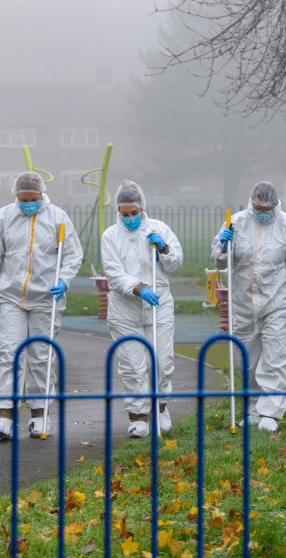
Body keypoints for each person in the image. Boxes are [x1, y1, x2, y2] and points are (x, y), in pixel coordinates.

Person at [0, 172, 83, 439]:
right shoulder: (3, 217)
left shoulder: (58, 217)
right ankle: (4, 414)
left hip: (46, 296)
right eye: (23, 199)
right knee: (8, 353)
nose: (28, 204)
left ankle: (40, 414)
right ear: (16, 196)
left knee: (41, 356)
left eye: (33, 199)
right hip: (10, 296)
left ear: (41, 195)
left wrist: (64, 280)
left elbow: (73, 254)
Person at [211, 181, 286, 433]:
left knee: (276, 357)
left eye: (267, 208)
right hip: (243, 303)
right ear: (251, 204)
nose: (263, 212)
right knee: (248, 361)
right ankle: (253, 409)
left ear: (276, 206)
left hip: (277, 302)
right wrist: (223, 245)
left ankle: (271, 413)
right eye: (258, 207)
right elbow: (219, 262)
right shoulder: (236, 223)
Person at [101, 180, 184, 438]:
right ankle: (138, 416)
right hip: (125, 309)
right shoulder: (110, 236)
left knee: (162, 360)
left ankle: (160, 409)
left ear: (142, 209)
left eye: (134, 213)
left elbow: (176, 264)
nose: (130, 218)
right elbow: (113, 273)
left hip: (159, 305)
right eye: (124, 214)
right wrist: (138, 288)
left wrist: (164, 249)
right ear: (118, 212)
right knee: (132, 365)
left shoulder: (159, 229)